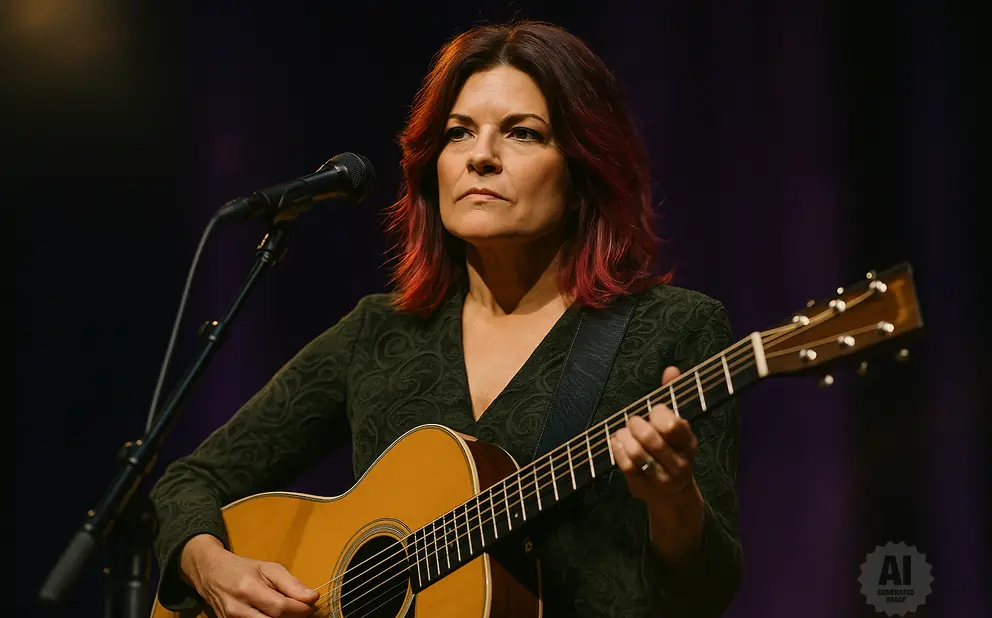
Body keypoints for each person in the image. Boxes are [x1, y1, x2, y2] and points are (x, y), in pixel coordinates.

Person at [149, 19, 743, 618]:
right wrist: (212, 568)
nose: (480, 157)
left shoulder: (671, 329)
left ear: (585, 166)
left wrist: (674, 501)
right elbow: (187, 482)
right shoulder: (379, 334)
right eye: (459, 134)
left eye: (522, 134)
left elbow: (707, 593)